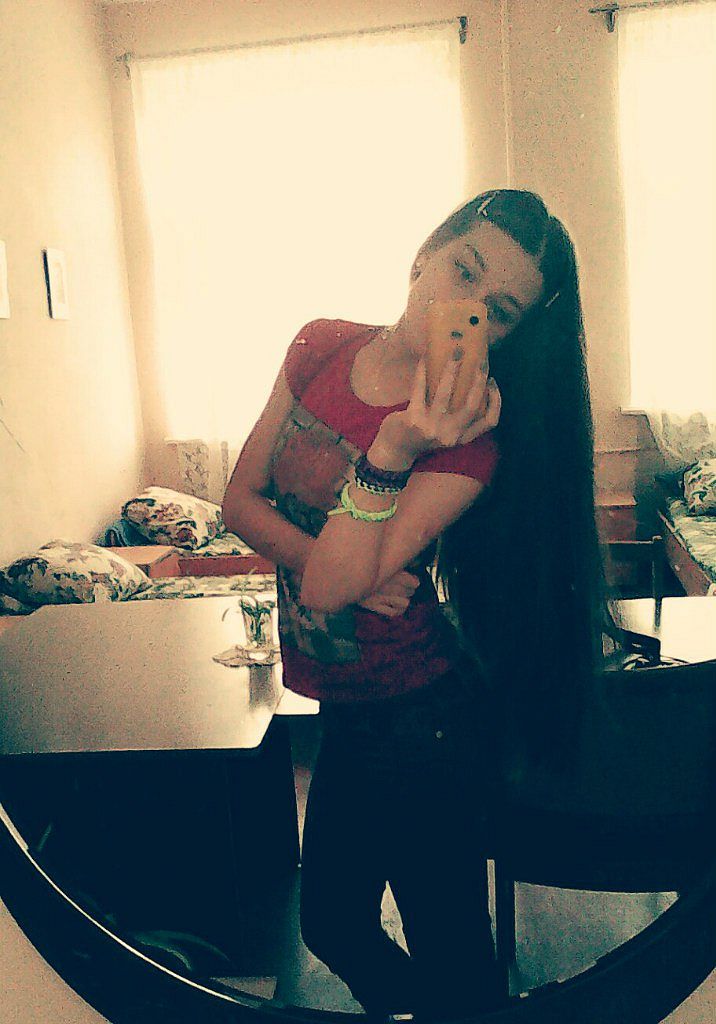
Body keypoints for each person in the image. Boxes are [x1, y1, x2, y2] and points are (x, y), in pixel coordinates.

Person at [222, 189, 606, 1018]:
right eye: (463, 271)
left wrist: (395, 446)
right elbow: (238, 501)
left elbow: (328, 589)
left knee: (452, 950)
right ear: (424, 253)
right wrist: (343, 565)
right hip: (348, 707)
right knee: (332, 923)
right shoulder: (320, 346)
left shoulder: (470, 440)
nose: (467, 309)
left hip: (423, 717)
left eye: (498, 311)